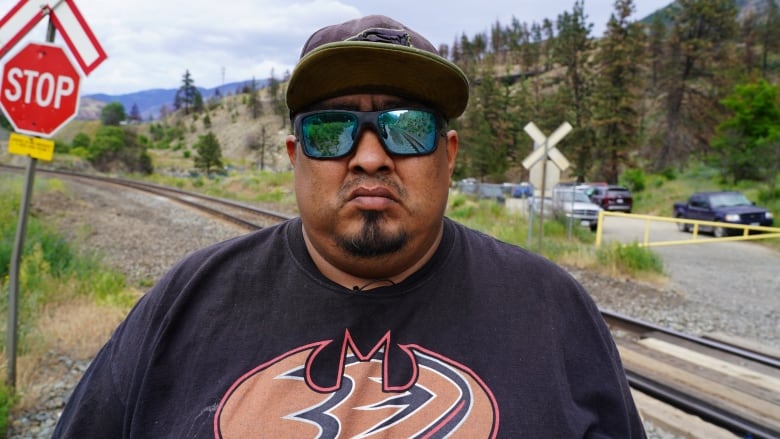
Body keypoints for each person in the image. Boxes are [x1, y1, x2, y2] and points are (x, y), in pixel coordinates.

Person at [54, 15, 646, 438]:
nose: (369, 157)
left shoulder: (552, 308)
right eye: (331, 131)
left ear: (450, 155)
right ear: (293, 155)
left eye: (407, 127)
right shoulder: (185, 302)